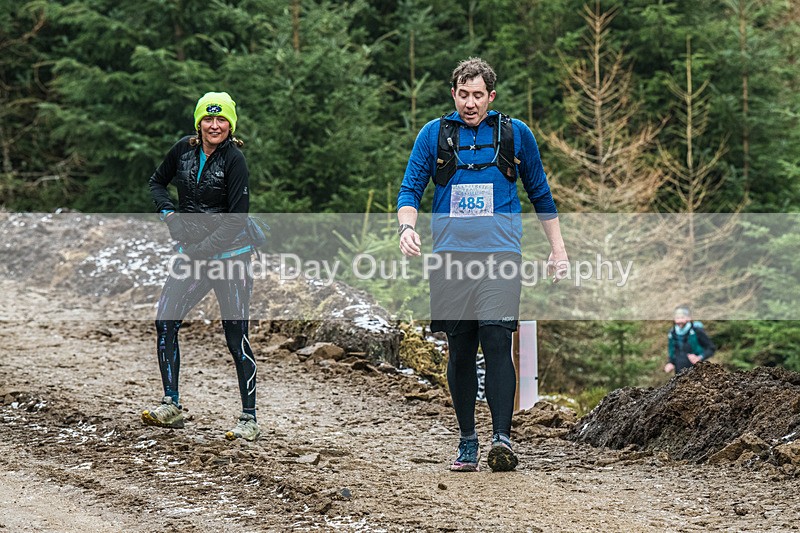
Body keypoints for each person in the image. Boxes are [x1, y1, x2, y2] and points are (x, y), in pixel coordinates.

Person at [397, 58, 568, 472]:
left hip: (501, 259)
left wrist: (558, 251)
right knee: (459, 352)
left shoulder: (515, 134)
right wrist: (406, 228)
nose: (470, 103)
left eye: (478, 95)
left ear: (490, 97)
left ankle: (502, 439)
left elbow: (541, 196)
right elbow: (410, 190)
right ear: (453, 93)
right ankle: (468, 440)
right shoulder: (434, 135)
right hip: (451, 261)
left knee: (496, 342)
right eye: (463, 94)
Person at [143, 91, 260, 441]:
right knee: (165, 321)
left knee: (236, 336)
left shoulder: (235, 160)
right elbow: (156, 182)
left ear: (230, 124)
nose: (214, 125)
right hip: (193, 254)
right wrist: (169, 215)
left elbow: (236, 219)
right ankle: (171, 404)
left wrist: (200, 251)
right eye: (208, 119)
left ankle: (249, 419)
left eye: (221, 119)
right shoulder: (183, 150)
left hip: (230, 259)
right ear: (199, 122)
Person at [665, 305, 716, 375]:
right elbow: (673, 351)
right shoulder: (672, 333)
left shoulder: (697, 331)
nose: (679, 321)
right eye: (677, 318)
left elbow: (711, 348)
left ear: (689, 318)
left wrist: (699, 357)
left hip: (696, 372)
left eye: (682, 318)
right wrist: (670, 362)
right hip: (679, 373)